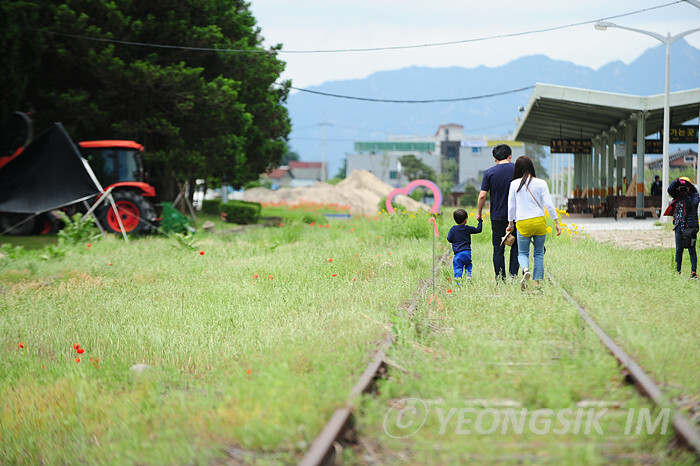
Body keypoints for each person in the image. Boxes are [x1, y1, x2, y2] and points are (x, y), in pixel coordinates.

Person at [506, 156, 562, 291]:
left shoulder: (514, 184)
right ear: (531, 167)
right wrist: (557, 223)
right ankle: (537, 284)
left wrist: (510, 223)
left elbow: (511, 207)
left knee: (522, 253)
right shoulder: (541, 183)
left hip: (523, 223)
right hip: (539, 222)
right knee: (538, 253)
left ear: (517, 168)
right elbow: (549, 205)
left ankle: (525, 270)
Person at [477, 144, 519, 282]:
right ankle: (513, 275)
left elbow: (482, 196)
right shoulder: (518, 170)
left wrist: (479, 212)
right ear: (510, 156)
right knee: (516, 246)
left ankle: (500, 279)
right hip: (517, 215)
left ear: (495, 159)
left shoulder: (489, 172)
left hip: (497, 216)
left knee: (498, 248)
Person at [665, 177, 699, 280]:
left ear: (691, 187)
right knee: (679, 249)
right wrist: (676, 181)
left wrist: (687, 194)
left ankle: (694, 273)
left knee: (691, 249)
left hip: (690, 227)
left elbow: (692, 204)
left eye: (687, 186)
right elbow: (669, 190)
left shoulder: (695, 195)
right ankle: (677, 271)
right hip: (679, 225)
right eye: (683, 186)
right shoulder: (678, 194)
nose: (684, 188)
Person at [447, 208, 483, 283]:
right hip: (467, 253)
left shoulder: (453, 229)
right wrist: (480, 220)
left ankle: (458, 282)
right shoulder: (467, 229)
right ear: (466, 220)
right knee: (468, 264)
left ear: (455, 220)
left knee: (458, 268)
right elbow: (478, 229)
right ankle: (468, 275)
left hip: (458, 254)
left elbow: (449, 239)